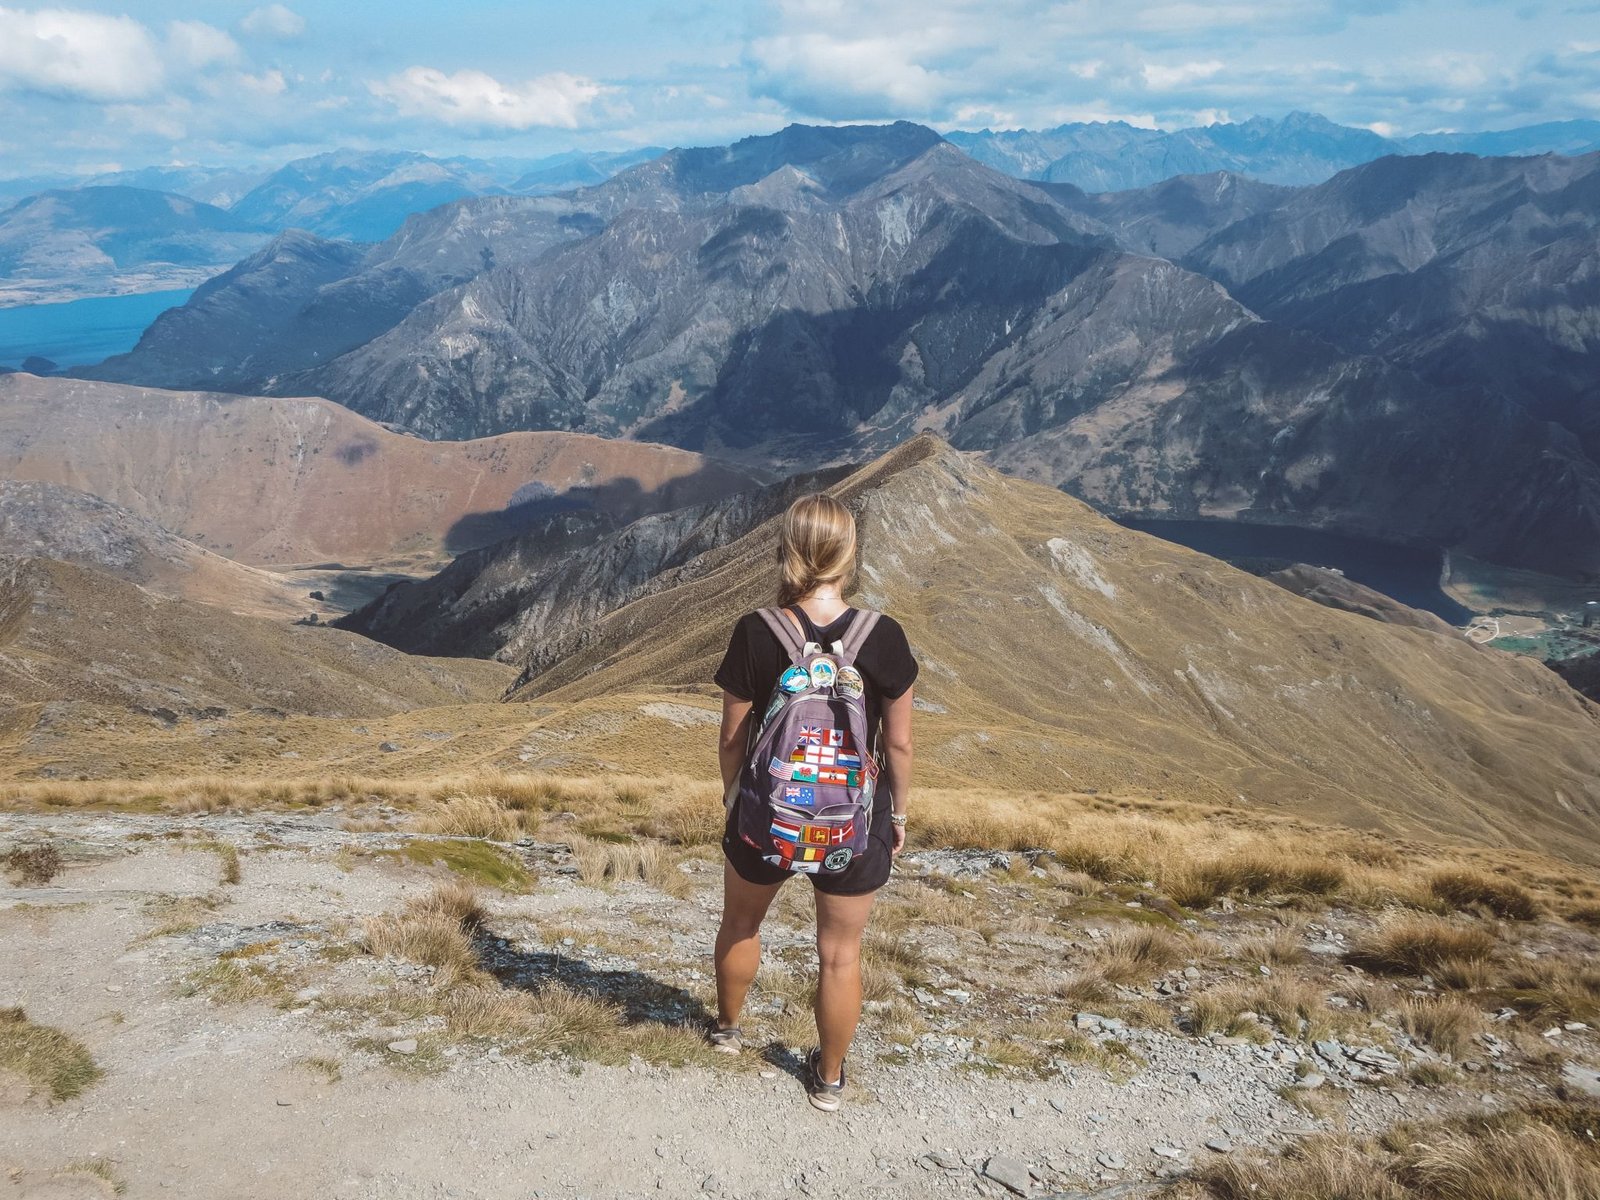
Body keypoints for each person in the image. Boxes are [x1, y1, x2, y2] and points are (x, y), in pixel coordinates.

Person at [709, 492, 917, 1111]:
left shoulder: (757, 631)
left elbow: (731, 738)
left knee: (741, 923)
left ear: (788, 550)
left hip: (765, 814)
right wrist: (897, 814)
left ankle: (726, 1029)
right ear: (849, 554)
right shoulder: (883, 637)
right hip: (853, 821)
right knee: (839, 953)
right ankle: (828, 1079)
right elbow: (899, 744)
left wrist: (734, 796)